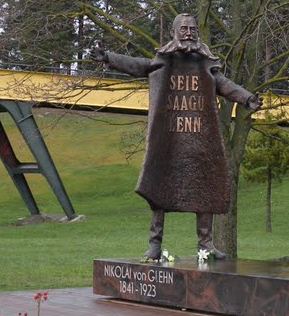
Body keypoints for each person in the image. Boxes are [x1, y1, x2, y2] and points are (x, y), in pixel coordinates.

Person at [91, 14, 261, 260]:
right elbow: (138, 65)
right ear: (174, 32)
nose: (189, 33)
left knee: (205, 189)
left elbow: (224, 84)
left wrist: (246, 97)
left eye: (192, 28)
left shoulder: (206, 64)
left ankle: (205, 245)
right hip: (169, 140)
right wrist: (109, 58)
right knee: (159, 189)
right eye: (184, 29)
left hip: (201, 142)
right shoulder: (164, 61)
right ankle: (154, 245)